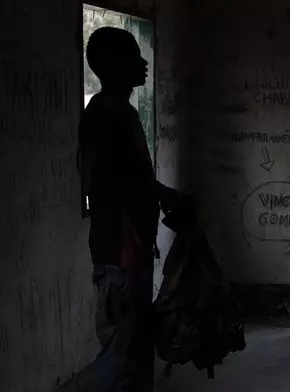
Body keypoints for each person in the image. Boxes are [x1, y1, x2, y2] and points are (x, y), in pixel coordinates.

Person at [76, 27, 179, 392]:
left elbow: (125, 179)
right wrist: (160, 197)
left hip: (125, 245)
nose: (144, 62)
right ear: (116, 65)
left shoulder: (114, 111)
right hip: (121, 249)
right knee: (121, 353)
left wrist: (161, 195)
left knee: (133, 345)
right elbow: (107, 183)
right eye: (135, 56)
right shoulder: (110, 115)